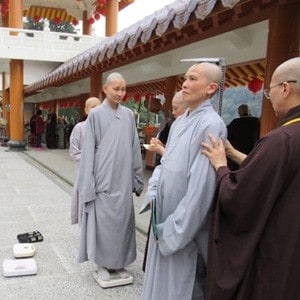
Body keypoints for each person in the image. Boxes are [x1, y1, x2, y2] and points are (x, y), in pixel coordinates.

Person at [201, 57, 300, 300]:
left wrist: (222, 167)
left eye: (270, 92)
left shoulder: (280, 140)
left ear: (285, 88)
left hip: (278, 248)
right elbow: (274, 173)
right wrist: (234, 153)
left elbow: (241, 195)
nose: (270, 97)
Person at [140, 62, 227, 299]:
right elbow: (167, 165)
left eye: (193, 79)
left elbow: (202, 189)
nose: (185, 84)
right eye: (185, 78)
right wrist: (154, 194)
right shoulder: (179, 122)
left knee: (182, 287)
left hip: (183, 229)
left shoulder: (211, 124)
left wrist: (174, 230)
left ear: (210, 88)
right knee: (161, 286)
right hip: (165, 217)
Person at [77, 72, 144, 288]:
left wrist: (137, 176)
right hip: (102, 179)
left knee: (122, 222)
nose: (120, 93)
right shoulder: (95, 115)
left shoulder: (128, 116)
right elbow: (87, 153)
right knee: (103, 224)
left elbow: (134, 148)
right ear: (105, 89)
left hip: (123, 179)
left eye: (123, 89)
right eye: (116, 89)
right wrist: (88, 184)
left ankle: (120, 262)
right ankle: (102, 264)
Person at [142, 90, 188, 272]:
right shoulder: (176, 125)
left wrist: (162, 151)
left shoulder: (195, 128)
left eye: (176, 108)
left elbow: (182, 163)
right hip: (163, 184)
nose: (173, 112)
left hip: (177, 193)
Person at [69, 97, 101, 225]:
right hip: (84, 172)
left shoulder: (107, 127)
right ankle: (84, 228)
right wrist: (90, 159)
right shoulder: (79, 128)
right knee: (84, 200)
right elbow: (74, 152)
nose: (96, 110)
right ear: (86, 110)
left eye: (99, 107)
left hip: (101, 173)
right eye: (93, 107)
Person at [147, 90, 188, 159]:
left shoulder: (191, 128)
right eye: (172, 109)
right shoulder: (175, 124)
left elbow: (179, 159)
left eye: (176, 109)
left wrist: (161, 150)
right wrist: (161, 145)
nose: (173, 113)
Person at [226, 103, 260, 169]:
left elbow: (227, 136)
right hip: (252, 152)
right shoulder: (256, 121)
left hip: (236, 153)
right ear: (249, 111)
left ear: (239, 113)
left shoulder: (235, 123)